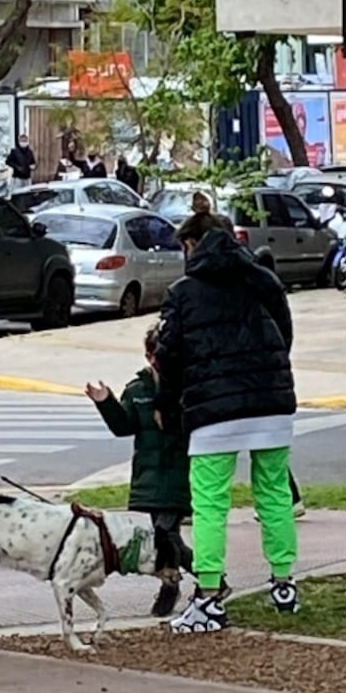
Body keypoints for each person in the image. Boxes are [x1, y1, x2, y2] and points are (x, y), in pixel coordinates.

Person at [154, 211, 299, 634]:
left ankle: (209, 596)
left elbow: (169, 356)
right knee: (274, 493)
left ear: (192, 245)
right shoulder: (264, 280)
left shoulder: (184, 292)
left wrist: (166, 403)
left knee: (210, 504)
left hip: (212, 410)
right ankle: (284, 583)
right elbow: (284, 335)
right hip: (271, 403)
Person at [86, 323, 193, 618]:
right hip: (150, 474)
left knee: (165, 532)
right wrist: (105, 402)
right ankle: (191, 579)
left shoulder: (188, 386)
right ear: (148, 356)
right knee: (167, 537)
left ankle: (181, 583)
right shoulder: (137, 390)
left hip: (180, 472)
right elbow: (124, 426)